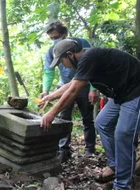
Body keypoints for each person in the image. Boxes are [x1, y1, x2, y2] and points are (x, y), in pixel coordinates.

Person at [40, 39, 140, 190]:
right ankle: (115, 165)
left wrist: (51, 113)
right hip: (120, 94)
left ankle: (123, 185)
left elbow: (74, 91)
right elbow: (70, 85)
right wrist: (50, 96)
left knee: (123, 134)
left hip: (135, 91)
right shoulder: (85, 61)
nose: (62, 65)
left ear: (70, 54)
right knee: (102, 123)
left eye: (62, 61)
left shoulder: (89, 57)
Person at [41, 21, 98, 162]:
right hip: (65, 85)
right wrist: (46, 91)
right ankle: (63, 149)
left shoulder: (81, 44)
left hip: (84, 85)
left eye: (57, 37)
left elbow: (93, 68)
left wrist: (93, 88)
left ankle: (90, 149)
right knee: (63, 118)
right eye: (51, 38)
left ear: (64, 35)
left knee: (87, 119)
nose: (54, 40)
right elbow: (48, 72)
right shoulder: (51, 52)